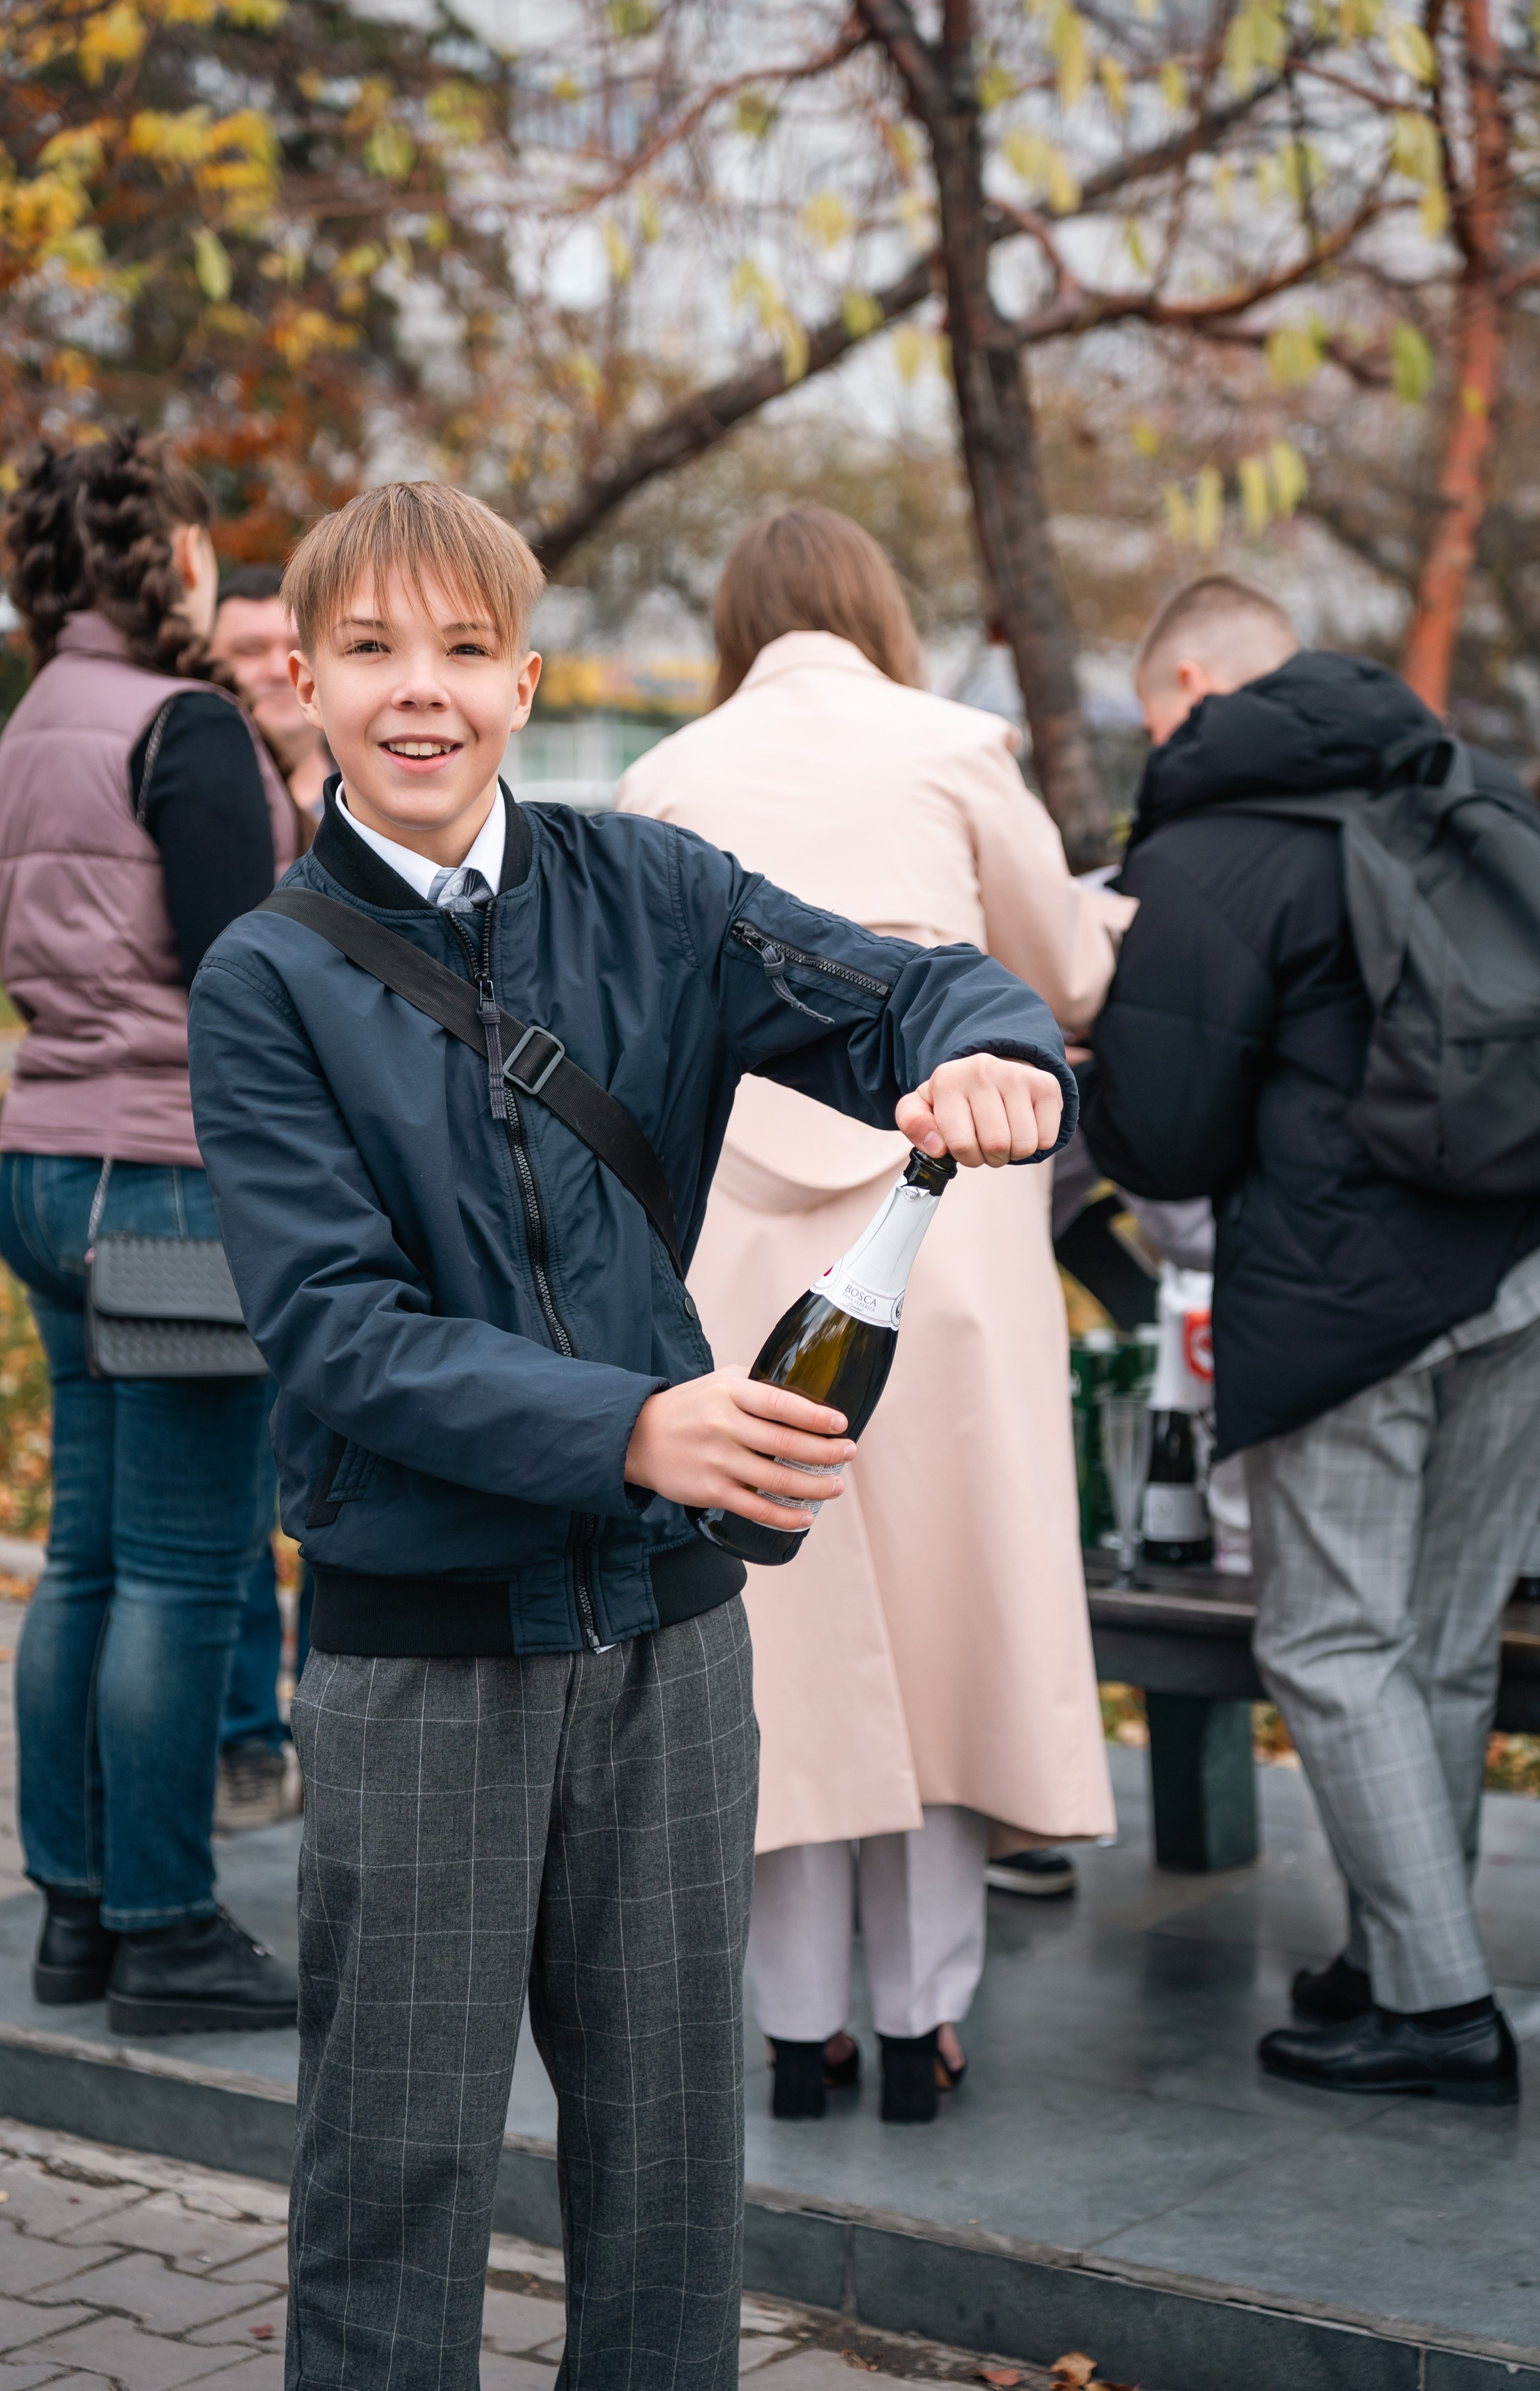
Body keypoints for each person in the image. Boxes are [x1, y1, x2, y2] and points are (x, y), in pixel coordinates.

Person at [185, 480, 1080, 2382]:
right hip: (426, 1640)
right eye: (366, 651)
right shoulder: (265, 980)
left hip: (672, 1635)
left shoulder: (650, 886)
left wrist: (994, 1046)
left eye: (455, 650)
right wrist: (633, 1429)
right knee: (399, 2172)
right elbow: (338, 1334)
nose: (415, 694)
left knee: (672, 2176)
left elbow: (909, 980)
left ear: (520, 676)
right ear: (303, 693)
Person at [618, 504, 1124, 2123]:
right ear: (877, 614)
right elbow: (1057, 975)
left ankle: (792, 2028)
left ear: (738, 622)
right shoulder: (958, 743)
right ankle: (925, 2021)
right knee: (945, 1601)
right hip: (946, 1219)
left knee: (774, 1617)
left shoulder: (665, 775)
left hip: (739, 1242)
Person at [1082, 572, 1540, 2107]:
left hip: (1347, 1299)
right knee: (1440, 1640)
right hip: (1518, 1266)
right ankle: (1397, 1946)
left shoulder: (1207, 850)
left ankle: (1433, 2008)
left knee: (1330, 1641)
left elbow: (1154, 1136)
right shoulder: (1453, 777)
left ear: (1195, 686)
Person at [0, 430, 301, 2033]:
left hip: (40, 1166)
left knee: (88, 1554)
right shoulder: (189, 727)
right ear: (168, 553)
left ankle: (77, 1912)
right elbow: (248, 981)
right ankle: (171, 1927)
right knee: (183, 1571)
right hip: (166, 1181)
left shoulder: (36, 715)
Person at [208, 564, 324, 1831]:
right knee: (241, 1472)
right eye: (229, 651)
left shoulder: (366, 797)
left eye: (267, 650)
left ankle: (315, 1718)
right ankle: (248, 1740)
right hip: (250, 1175)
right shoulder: (216, 799)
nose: (250, 671)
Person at [209, 562, 331, 814]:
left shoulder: (381, 795)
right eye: (251, 650)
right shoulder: (182, 803)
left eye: (299, 647)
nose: (279, 671)